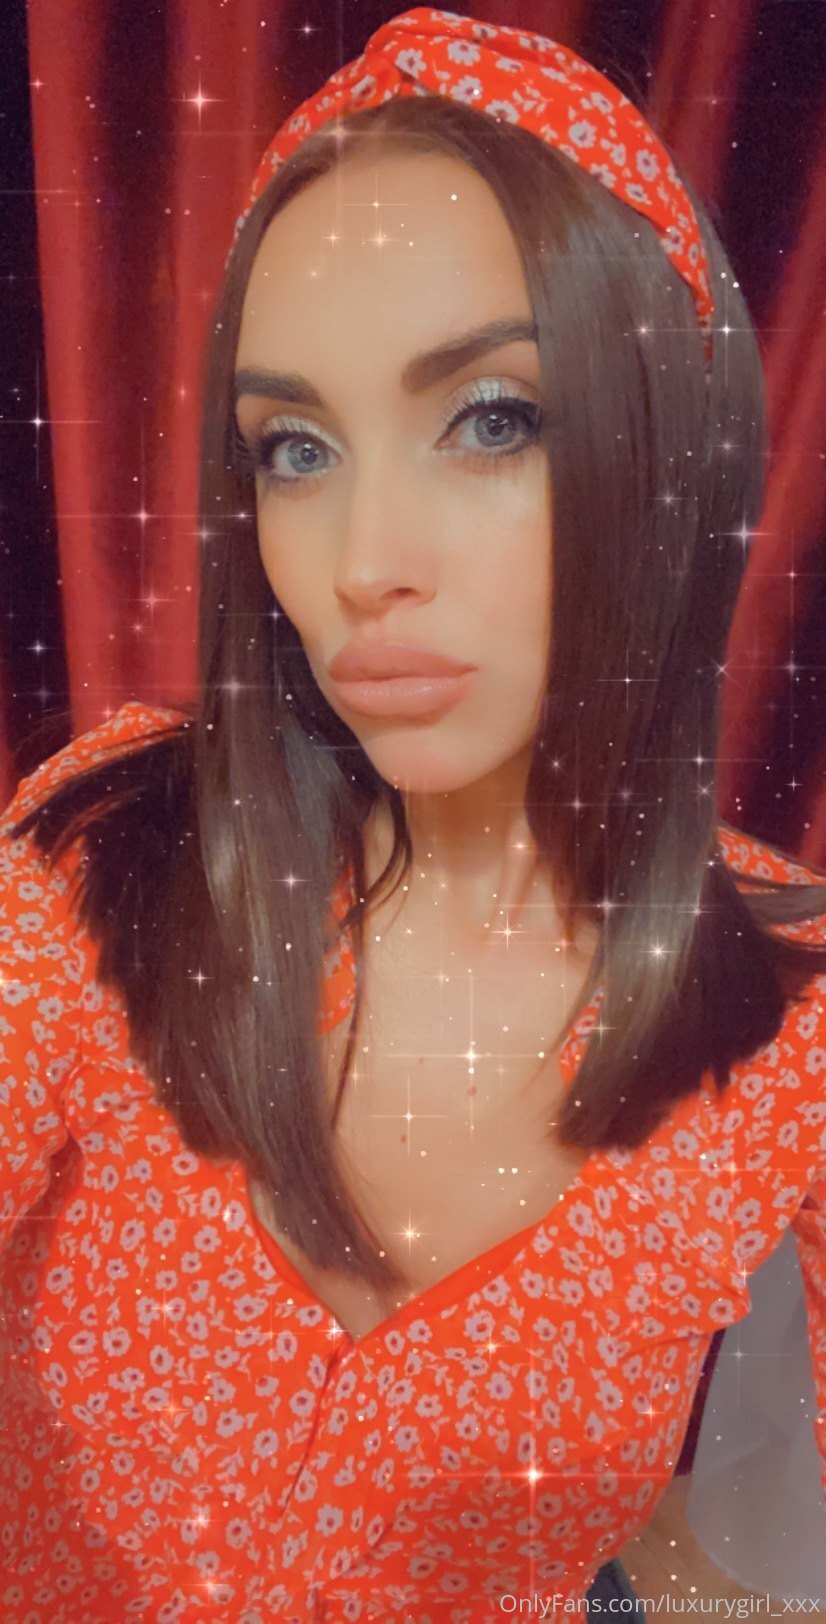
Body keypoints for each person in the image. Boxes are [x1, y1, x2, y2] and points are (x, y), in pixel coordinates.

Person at [1, 8, 825, 1620]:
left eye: (492, 419)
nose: (361, 560)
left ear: (674, 448)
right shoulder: (102, 855)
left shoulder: (794, 1014)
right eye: (295, 449)